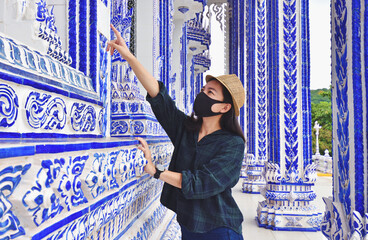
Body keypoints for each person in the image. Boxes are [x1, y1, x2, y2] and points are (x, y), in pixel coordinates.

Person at [107, 24, 245, 240]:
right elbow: (159, 96)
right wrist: (130, 58)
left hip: (219, 229)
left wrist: (157, 172)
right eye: (203, 91)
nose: (202, 95)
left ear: (224, 107)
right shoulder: (187, 129)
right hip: (188, 225)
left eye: (211, 93)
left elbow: (202, 182)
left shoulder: (233, 144)